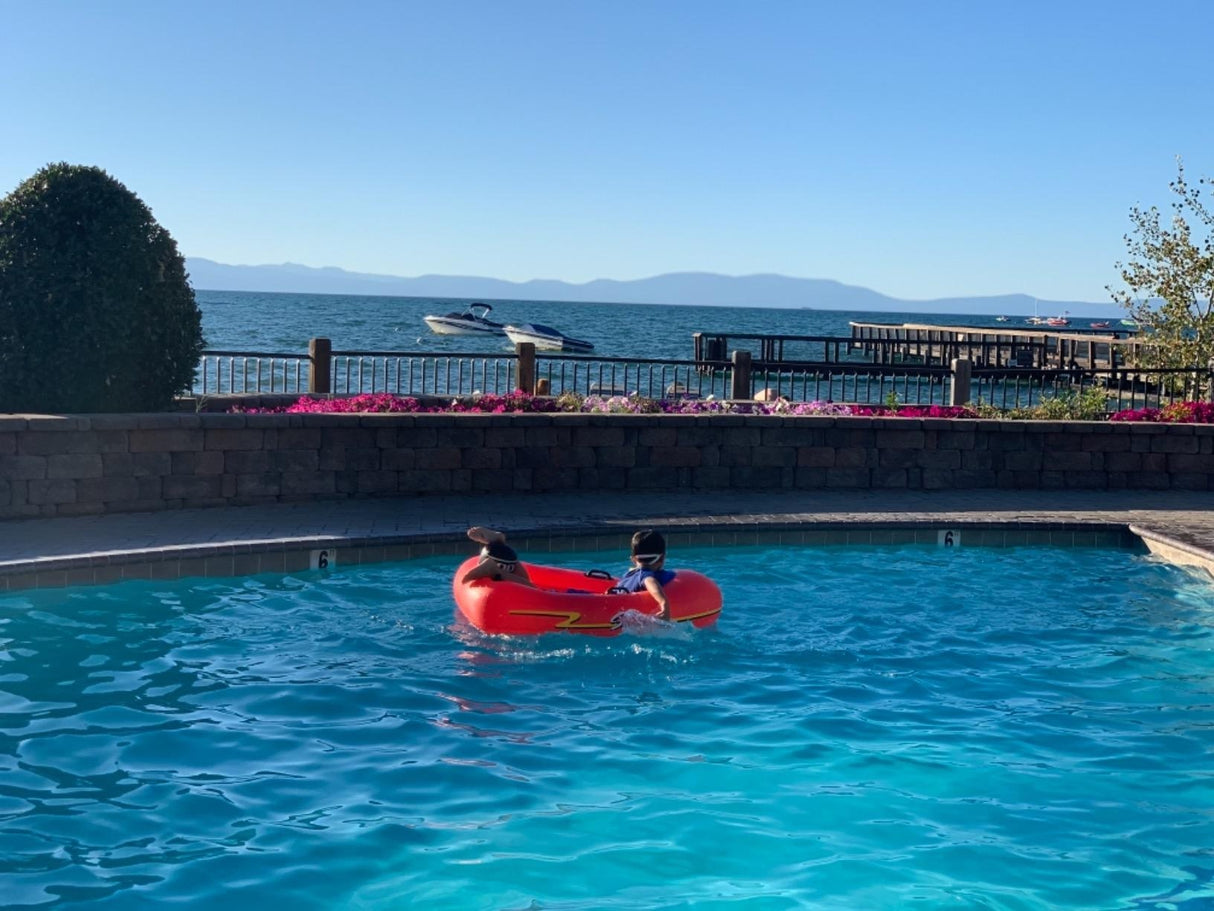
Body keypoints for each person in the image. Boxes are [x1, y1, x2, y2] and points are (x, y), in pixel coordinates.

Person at [608, 529, 674, 620]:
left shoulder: (629, 574)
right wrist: (664, 603)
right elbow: (650, 582)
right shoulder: (646, 575)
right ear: (662, 558)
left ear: (633, 560)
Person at [459, 526, 534, 587]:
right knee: (530, 587)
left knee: (528, 584)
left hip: (501, 559)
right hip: (509, 561)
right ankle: (497, 570)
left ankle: (498, 542)